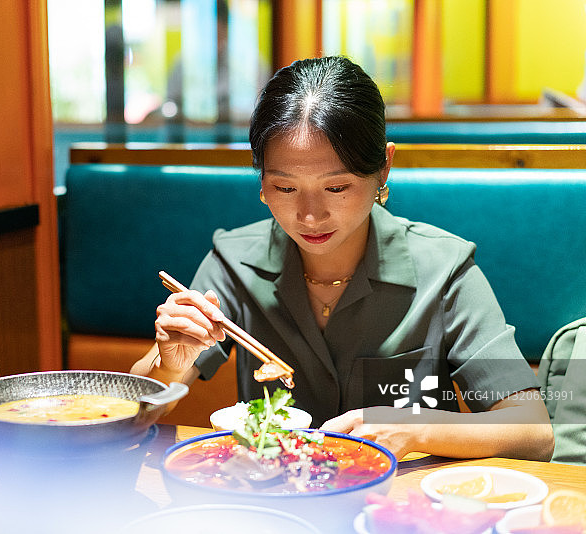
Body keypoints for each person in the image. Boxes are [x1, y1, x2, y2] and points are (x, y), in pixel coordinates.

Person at [130, 56, 554, 461]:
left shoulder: (444, 269)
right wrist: (168, 367)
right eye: (285, 188)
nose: (310, 216)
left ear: (384, 168)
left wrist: (415, 428)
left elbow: (534, 432)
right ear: (261, 179)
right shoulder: (234, 262)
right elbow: (133, 413)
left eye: (336, 188)